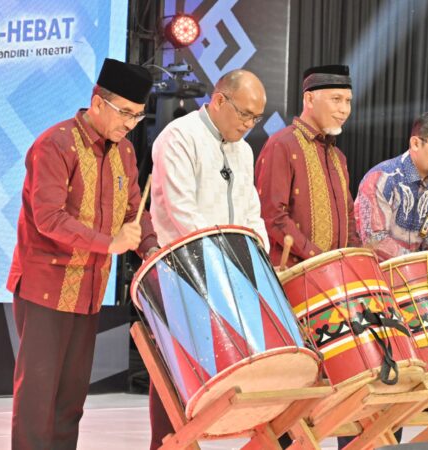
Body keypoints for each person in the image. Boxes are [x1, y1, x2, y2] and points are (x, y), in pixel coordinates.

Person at [6, 58, 158, 449]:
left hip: (89, 291)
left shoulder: (123, 153)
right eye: (125, 113)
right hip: (45, 287)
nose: (129, 124)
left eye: (138, 117)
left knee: (71, 401)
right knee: (38, 400)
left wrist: (153, 250)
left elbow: (133, 212)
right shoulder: (55, 144)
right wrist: (109, 243)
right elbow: (49, 218)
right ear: (97, 103)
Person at [147, 69, 268, 449]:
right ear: (218, 100)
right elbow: (183, 213)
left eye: (256, 119)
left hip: (232, 274)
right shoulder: (179, 137)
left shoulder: (244, 150)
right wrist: (221, 264)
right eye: (245, 115)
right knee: (176, 377)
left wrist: (258, 255)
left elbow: (251, 210)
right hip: (183, 272)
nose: (249, 125)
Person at [255, 64, 360, 269]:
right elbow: (272, 215)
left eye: (348, 101)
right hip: (293, 277)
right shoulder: (282, 144)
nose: (344, 109)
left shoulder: (338, 157)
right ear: (310, 99)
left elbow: (349, 218)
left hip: (335, 277)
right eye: (336, 99)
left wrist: (356, 258)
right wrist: (319, 259)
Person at [354, 112, 428, 261]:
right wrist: (417, 261)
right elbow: (375, 240)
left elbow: (426, 232)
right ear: (415, 143)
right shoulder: (382, 178)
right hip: (372, 273)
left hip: (410, 272)